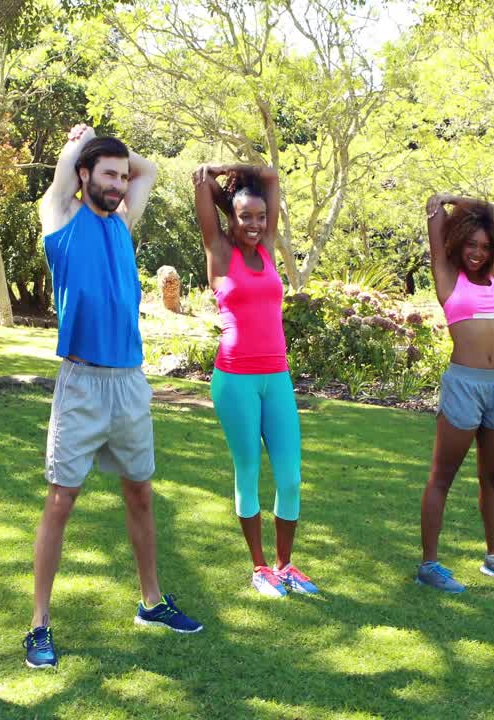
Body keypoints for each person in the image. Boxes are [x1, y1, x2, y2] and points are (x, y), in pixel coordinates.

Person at [23, 123, 204, 670]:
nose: (121, 183)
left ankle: (151, 602)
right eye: (108, 173)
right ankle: (39, 625)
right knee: (61, 502)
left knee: (140, 494)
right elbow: (59, 183)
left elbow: (147, 170)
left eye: (121, 176)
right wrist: (77, 146)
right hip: (82, 384)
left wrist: (114, 148)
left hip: (129, 382)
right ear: (83, 175)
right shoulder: (62, 218)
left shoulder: (122, 223)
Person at [192, 164, 318, 599]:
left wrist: (235, 170)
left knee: (289, 475)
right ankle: (260, 567)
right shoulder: (219, 250)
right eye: (245, 216)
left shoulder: (265, 246)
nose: (255, 224)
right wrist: (212, 180)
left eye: (261, 217)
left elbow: (271, 176)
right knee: (248, 471)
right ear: (231, 217)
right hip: (235, 379)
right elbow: (202, 191)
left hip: (276, 376)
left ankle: (286, 565)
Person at [415, 194, 494, 594]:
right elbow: (434, 208)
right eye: (471, 244)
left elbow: (492, 216)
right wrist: (448, 201)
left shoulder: (493, 275)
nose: (478, 253)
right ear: (458, 240)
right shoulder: (448, 275)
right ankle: (429, 565)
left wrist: (482, 212)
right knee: (442, 478)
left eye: (485, 245)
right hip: (464, 384)